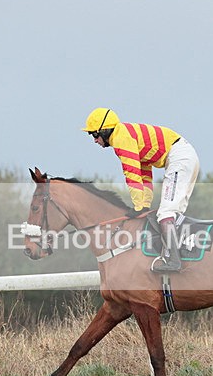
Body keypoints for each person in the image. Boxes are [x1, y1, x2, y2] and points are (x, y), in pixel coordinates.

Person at [82, 107, 200, 272]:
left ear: (105, 130)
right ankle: (182, 251)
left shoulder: (121, 139)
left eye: (94, 135)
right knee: (173, 213)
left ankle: (174, 261)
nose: (94, 140)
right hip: (184, 155)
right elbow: (145, 172)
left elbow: (132, 174)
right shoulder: (125, 136)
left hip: (180, 157)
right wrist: (144, 204)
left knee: (166, 213)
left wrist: (138, 207)